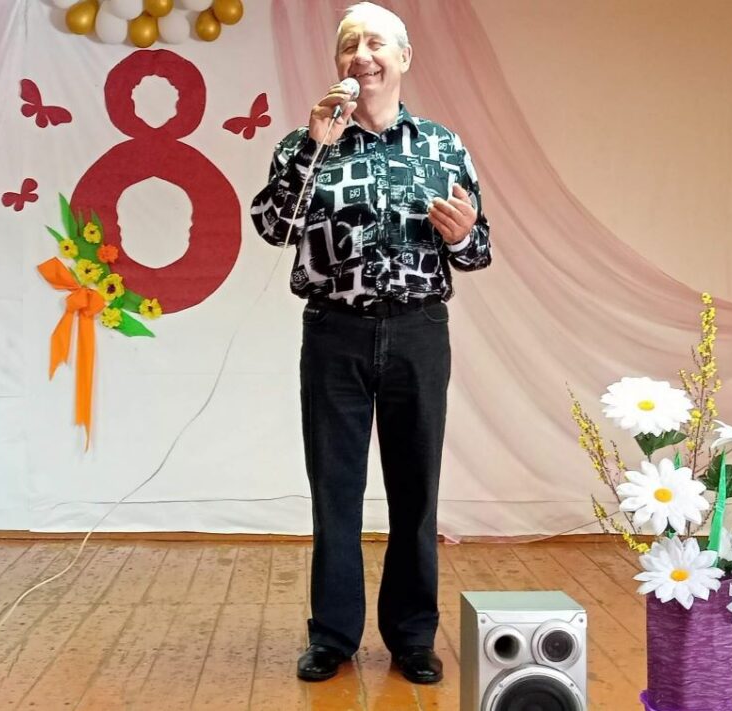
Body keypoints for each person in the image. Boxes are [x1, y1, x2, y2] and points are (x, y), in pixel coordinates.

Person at [250, 1, 491, 685]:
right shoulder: (306, 143)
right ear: (338, 63)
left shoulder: (443, 146)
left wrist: (462, 236)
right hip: (335, 332)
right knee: (335, 488)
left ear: (403, 58)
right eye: (349, 44)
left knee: (416, 489)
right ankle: (332, 635)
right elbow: (272, 227)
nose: (362, 54)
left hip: (419, 331)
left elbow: (478, 250)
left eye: (376, 43)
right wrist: (312, 146)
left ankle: (412, 636)